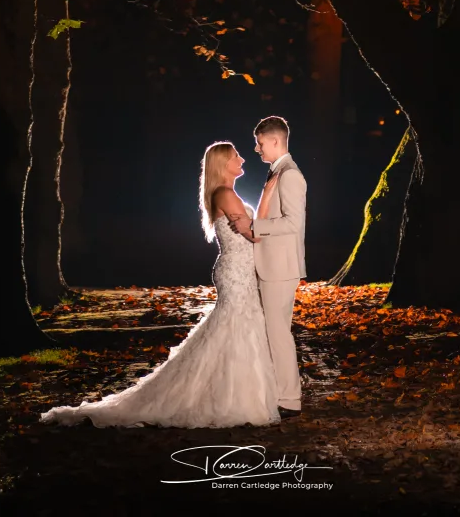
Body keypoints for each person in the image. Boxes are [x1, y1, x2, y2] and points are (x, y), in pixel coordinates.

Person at [39, 142, 280, 429]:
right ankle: (232, 400)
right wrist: (267, 193)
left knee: (238, 327)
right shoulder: (224, 193)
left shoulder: (228, 193)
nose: (242, 158)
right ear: (222, 164)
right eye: (235, 156)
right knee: (236, 326)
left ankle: (241, 393)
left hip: (240, 270)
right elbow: (254, 234)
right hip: (236, 271)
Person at [228, 116, 307, 418]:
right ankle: (281, 393)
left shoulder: (290, 175)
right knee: (273, 331)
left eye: (260, 143)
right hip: (272, 265)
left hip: (281, 267)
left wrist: (254, 226)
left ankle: (290, 399)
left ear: (274, 141)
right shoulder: (279, 171)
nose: (256, 148)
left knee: (278, 333)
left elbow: (293, 223)